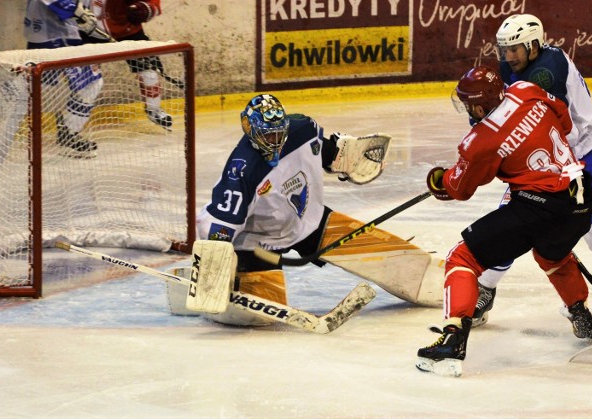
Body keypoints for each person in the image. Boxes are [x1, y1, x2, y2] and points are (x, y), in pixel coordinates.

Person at [165, 93, 436, 326]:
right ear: (250, 130)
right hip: (259, 242)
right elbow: (218, 231)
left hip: (309, 220)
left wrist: (347, 157)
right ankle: (238, 280)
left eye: (278, 131)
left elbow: (329, 152)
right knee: (262, 316)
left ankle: (439, 284)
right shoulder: (242, 171)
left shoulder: (302, 129)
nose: (274, 140)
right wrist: (213, 274)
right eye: (267, 134)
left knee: (396, 257)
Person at [415, 66, 592, 377]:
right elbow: (564, 120)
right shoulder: (527, 90)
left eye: (467, 104)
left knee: (463, 257)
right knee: (551, 254)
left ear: (478, 105)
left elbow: (460, 189)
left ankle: (452, 340)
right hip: (580, 197)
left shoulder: (481, 139)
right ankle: (580, 313)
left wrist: (440, 182)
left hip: (539, 207)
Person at [472, 14, 592, 331]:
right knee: (510, 223)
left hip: (583, 152)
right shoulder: (511, 67)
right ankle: (484, 288)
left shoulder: (549, 69)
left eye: (515, 48)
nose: (509, 56)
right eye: (505, 49)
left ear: (533, 44)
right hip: (547, 155)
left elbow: (551, 124)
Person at [24, 0, 109, 158]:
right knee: (91, 83)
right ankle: (69, 135)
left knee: (31, 91)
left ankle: (68, 134)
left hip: (57, 34)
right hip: (55, 36)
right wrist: (78, 10)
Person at [83, 0, 172, 130]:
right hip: (89, 32)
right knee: (86, 80)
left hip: (127, 31)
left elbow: (153, 4)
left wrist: (147, 9)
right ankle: (71, 126)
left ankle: (154, 110)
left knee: (150, 74)